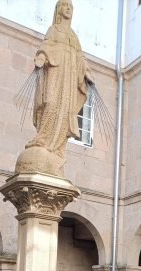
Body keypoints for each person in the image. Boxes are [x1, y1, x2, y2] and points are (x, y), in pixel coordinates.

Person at [27, 0, 93, 161]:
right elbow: (45, 46)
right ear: (59, 9)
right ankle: (43, 139)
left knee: (65, 110)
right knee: (50, 102)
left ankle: (58, 146)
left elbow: (80, 57)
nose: (68, 8)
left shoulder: (73, 36)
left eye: (71, 7)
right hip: (55, 73)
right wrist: (41, 56)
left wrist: (86, 72)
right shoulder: (53, 30)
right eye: (65, 5)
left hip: (69, 79)